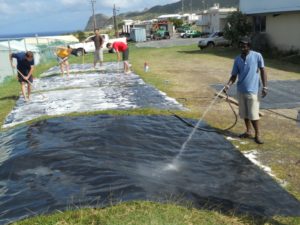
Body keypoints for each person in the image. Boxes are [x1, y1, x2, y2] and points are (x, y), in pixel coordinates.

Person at [224, 37, 267, 144]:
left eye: (244, 46)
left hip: (253, 90)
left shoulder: (257, 56)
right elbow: (234, 75)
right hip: (241, 90)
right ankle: (248, 131)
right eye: (241, 46)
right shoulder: (237, 59)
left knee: (253, 114)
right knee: (244, 113)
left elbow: (263, 71)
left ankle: (258, 134)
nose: (242, 48)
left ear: (249, 46)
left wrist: (265, 87)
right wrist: (228, 85)